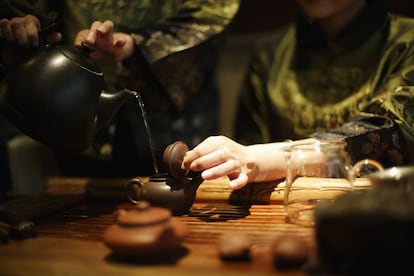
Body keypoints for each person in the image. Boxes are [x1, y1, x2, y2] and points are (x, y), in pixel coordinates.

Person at [182, 0, 414, 190]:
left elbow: (393, 130)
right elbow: (248, 155)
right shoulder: (269, 54)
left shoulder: (407, 42)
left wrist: (271, 159)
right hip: (284, 213)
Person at [0, 1, 241, 180]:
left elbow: (214, 11)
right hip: (73, 101)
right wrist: (31, 26)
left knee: (180, 177)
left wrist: (137, 45)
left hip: (172, 109)